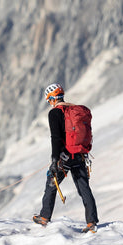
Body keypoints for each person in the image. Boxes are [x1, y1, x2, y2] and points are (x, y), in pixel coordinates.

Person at [32, 83, 99, 232]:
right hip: (80, 154)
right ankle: (91, 222)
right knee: (84, 188)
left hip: (65, 156)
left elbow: (56, 138)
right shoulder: (74, 110)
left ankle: (44, 217)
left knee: (51, 182)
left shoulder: (54, 113)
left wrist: (55, 159)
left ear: (51, 98)